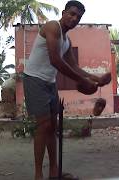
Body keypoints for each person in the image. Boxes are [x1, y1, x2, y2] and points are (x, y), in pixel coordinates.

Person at [23, 1, 111, 179]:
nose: (74, 18)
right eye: (71, 14)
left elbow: (74, 67)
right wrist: (84, 81)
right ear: (63, 13)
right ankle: (38, 174)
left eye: (78, 17)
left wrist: (96, 79)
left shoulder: (67, 41)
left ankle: (54, 171)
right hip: (34, 80)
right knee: (44, 125)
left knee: (53, 126)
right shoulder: (52, 27)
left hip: (49, 82)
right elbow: (56, 60)